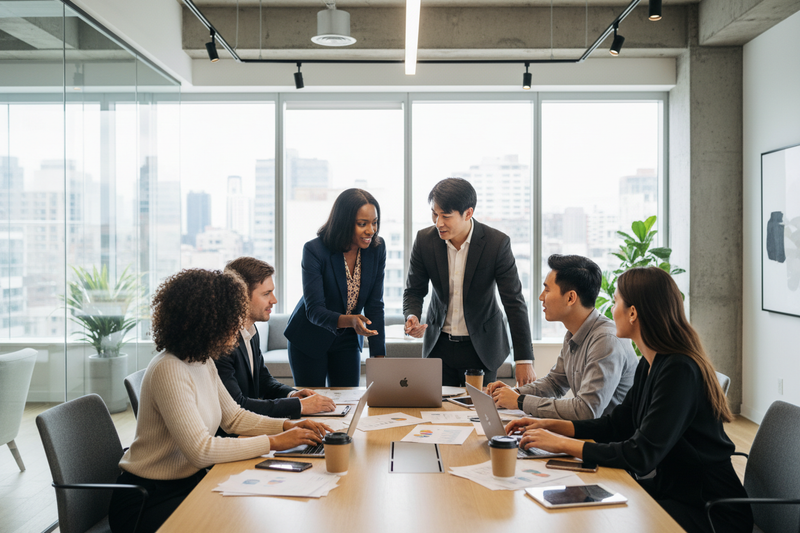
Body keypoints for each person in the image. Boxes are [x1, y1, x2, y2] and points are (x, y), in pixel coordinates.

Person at [505, 267, 753, 533]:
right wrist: (552, 427)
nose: (611, 311)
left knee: (597, 518)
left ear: (632, 312)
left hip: (709, 511)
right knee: (575, 502)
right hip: (672, 493)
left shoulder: (679, 370)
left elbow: (641, 454)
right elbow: (615, 424)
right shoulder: (650, 364)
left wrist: (563, 444)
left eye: (615, 303)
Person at [108, 269, 330, 533]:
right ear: (207, 322)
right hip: (147, 499)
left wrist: (286, 426)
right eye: (231, 320)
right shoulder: (169, 368)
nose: (237, 328)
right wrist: (273, 442)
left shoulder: (202, 360)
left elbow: (234, 417)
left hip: (190, 483)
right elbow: (200, 450)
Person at [403, 177, 535, 387]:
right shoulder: (424, 240)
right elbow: (413, 290)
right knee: (437, 416)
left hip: (481, 348)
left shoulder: (496, 244)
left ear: (468, 213)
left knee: (477, 415)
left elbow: (514, 301)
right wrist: (412, 316)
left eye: (445, 216)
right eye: (434, 214)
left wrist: (524, 359)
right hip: (439, 347)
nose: (438, 223)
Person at [486, 254, 637, 419]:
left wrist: (520, 401)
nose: (541, 297)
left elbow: (586, 411)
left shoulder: (606, 340)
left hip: (607, 441)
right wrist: (512, 393)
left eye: (547, 289)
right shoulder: (574, 332)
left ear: (571, 297)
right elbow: (555, 383)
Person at [285, 188, 386, 387]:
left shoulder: (376, 249)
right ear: (344, 222)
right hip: (310, 338)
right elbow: (314, 310)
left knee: (347, 402)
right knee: (313, 405)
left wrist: (378, 355)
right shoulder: (315, 250)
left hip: (348, 338)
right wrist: (351, 320)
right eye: (362, 224)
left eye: (374, 223)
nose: (371, 230)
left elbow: (375, 305)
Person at [215, 257, 336, 422]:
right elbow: (237, 405)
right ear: (240, 296)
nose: (274, 300)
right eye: (266, 294)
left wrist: (293, 394)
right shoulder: (221, 342)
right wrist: (300, 407)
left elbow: (263, 380)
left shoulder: (251, 330)